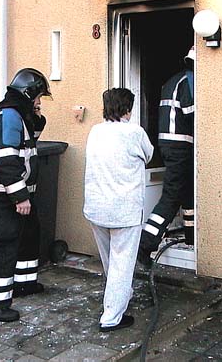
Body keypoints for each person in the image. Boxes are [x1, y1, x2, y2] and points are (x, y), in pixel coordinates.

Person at [0, 68, 51, 322]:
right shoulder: (8, 116)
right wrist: (20, 197)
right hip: (7, 197)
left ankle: (24, 284)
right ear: (27, 93)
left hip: (18, 194)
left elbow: (28, 142)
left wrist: (37, 118)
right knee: (4, 247)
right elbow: (7, 160)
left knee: (28, 237)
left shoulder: (18, 115)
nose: (39, 102)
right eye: (38, 97)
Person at [83, 88, 153, 332]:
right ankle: (111, 317)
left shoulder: (95, 131)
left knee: (110, 262)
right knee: (122, 264)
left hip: (96, 208)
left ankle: (122, 294)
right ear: (127, 109)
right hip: (124, 211)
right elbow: (149, 155)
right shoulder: (135, 133)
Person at [137, 47, 195, 267]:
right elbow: (192, 113)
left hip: (171, 145)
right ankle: (146, 244)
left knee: (187, 191)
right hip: (180, 145)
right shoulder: (188, 81)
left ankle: (191, 237)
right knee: (171, 197)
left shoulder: (173, 80)